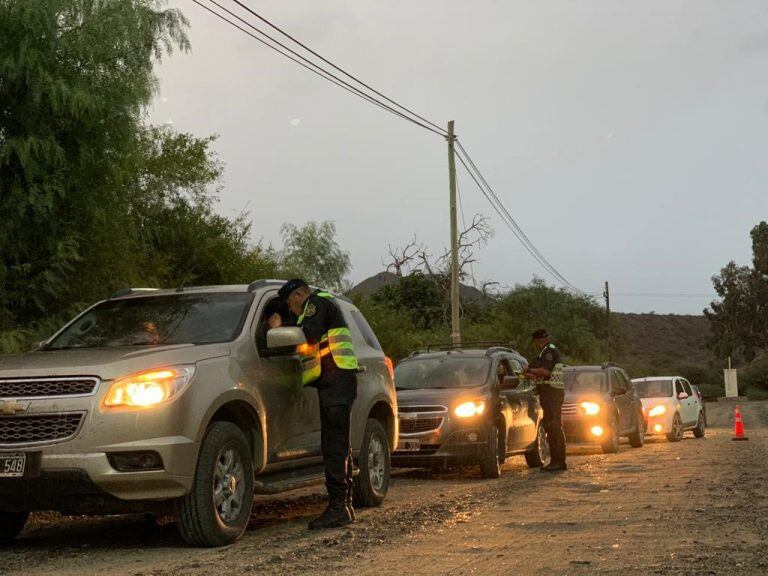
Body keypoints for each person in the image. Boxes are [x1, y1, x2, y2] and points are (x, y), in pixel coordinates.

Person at [269, 279, 359, 529]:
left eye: (290, 304)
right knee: (338, 444)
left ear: (299, 295)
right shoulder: (320, 305)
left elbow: (308, 333)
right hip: (336, 381)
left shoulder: (315, 304)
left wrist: (278, 328)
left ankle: (339, 508)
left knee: (334, 446)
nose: (291, 310)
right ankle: (344, 506)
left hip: (336, 380)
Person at [522, 328, 567, 472]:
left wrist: (529, 371)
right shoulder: (545, 351)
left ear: (537, 340)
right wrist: (530, 375)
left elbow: (546, 371)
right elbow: (542, 375)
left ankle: (558, 462)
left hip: (552, 393)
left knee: (553, 427)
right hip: (549, 392)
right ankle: (558, 461)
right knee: (552, 426)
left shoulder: (549, 351)